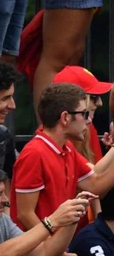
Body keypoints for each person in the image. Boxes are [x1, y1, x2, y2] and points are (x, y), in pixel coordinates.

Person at [17, 83, 114, 230]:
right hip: (35, 250)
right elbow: (24, 214)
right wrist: (50, 246)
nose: (89, 120)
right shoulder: (35, 153)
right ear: (65, 117)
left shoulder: (67, 148)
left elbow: (95, 187)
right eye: (84, 114)